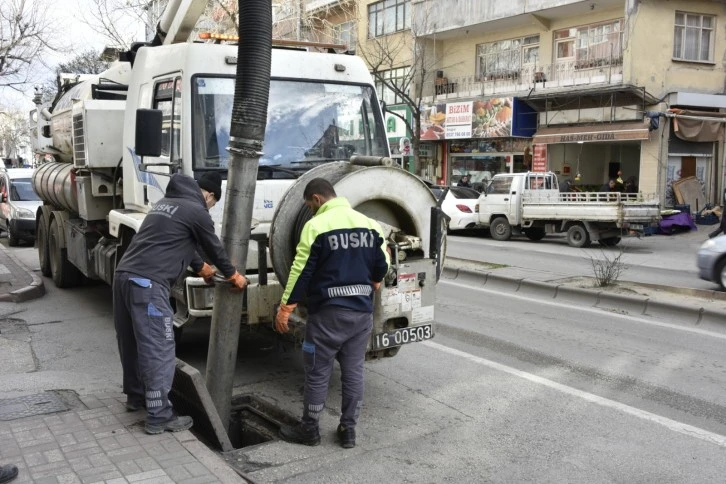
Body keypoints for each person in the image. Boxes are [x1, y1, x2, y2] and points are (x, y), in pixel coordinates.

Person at [113, 172, 248, 435]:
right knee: (159, 347)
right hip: (148, 284)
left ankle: (136, 397)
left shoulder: (165, 204)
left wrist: (202, 269)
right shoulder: (197, 211)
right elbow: (213, 247)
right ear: (209, 195)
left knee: (130, 341)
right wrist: (233, 275)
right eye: (213, 203)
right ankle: (159, 416)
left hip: (124, 277)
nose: (210, 207)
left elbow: (176, 242)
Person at [274, 178, 389, 449]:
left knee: (317, 372)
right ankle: (348, 431)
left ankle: (310, 429)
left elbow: (301, 271)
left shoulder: (315, 226)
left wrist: (285, 307)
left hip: (327, 316)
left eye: (309, 205)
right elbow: (382, 266)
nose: (310, 210)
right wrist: (373, 280)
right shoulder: (371, 225)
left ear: (317, 199)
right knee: (354, 372)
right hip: (361, 315)